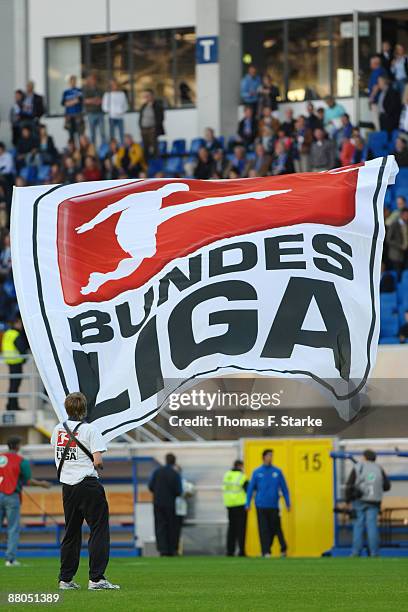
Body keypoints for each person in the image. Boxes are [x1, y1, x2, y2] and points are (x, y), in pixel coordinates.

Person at [50, 391, 119, 590]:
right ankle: (96, 579)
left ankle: (65, 579)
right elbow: (97, 461)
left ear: (67, 408)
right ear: (84, 409)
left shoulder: (57, 430)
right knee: (98, 530)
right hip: (88, 484)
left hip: (67, 487)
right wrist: (98, 465)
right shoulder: (91, 430)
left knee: (71, 533)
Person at [0, 435, 50, 566]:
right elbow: (28, 480)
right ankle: (10, 560)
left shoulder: (0, 457)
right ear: (18, 446)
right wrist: (42, 484)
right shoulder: (21, 461)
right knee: (13, 528)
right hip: (11, 495)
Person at [246, 449, 290, 558]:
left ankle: (281, 548)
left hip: (274, 505)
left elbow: (284, 489)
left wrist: (288, 502)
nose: (271, 457)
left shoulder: (277, 472)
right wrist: (247, 503)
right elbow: (250, 489)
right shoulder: (257, 472)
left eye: (272, 455)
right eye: (269, 455)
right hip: (261, 505)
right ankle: (265, 551)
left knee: (275, 528)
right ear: (264, 457)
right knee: (263, 529)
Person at [346, 449, 391, 557]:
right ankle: (374, 553)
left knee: (358, 526)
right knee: (372, 526)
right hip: (374, 501)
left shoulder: (359, 466)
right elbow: (387, 486)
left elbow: (349, 484)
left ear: (365, 457)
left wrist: (347, 500)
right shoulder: (379, 468)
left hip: (359, 500)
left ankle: (356, 552)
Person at [148, 453, 182, 556]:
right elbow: (179, 491)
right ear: (174, 461)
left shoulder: (157, 472)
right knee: (172, 526)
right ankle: (172, 549)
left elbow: (150, 486)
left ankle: (162, 550)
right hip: (170, 504)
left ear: (165, 460)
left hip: (158, 503)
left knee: (160, 526)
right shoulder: (175, 474)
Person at [2, 317, 29, 411]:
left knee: (12, 385)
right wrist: (24, 359)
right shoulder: (16, 334)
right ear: (16, 324)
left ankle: (10, 405)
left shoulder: (7, 333)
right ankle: (13, 406)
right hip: (16, 362)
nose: (21, 325)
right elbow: (22, 348)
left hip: (9, 362)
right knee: (15, 385)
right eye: (20, 323)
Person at [223, 459, 248, 557]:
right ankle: (241, 551)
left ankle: (230, 551)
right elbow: (248, 489)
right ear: (240, 466)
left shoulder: (227, 475)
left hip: (229, 505)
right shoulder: (241, 476)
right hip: (240, 504)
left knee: (231, 529)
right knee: (241, 529)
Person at [138, 89, 165, 160]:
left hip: (153, 129)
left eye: (148, 96)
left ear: (152, 96)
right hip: (144, 129)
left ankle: (156, 162)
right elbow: (141, 117)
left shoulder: (157, 106)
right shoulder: (143, 106)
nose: (146, 97)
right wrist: (140, 127)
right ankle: (146, 163)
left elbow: (161, 118)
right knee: (145, 147)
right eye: (145, 96)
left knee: (154, 147)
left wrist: (155, 127)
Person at [174, 465, 194, 554]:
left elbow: (190, 493)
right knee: (171, 530)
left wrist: (185, 494)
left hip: (180, 509)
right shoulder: (170, 481)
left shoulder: (184, 482)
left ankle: (176, 549)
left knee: (177, 530)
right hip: (171, 509)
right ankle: (171, 549)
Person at [102, 79, 128, 145]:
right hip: (111, 117)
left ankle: (122, 147)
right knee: (112, 134)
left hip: (120, 117)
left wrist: (122, 111)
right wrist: (111, 111)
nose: (114, 86)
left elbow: (125, 105)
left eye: (115, 85)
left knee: (121, 134)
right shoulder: (107, 94)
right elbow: (104, 106)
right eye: (112, 85)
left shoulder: (122, 94)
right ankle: (112, 148)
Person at [82, 74, 105, 146]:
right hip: (91, 113)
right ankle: (93, 149)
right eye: (91, 79)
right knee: (92, 133)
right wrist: (93, 100)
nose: (93, 81)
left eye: (94, 79)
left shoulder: (100, 89)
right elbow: (84, 100)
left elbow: (104, 99)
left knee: (102, 133)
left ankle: (104, 149)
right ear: (89, 81)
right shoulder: (86, 90)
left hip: (100, 113)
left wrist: (99, 101)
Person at [61, 76, 84, 144]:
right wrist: (74, 101)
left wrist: (69, 102)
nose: (72, 82)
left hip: (78, 116)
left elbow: (80, 100)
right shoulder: (66, 92)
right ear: (69, 82)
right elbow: (64, 103)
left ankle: (80, 152)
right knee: (71, 136)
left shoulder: (79, 91)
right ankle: (73, 152)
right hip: (69, 116)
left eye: (74, 81)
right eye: (71, 81)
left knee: (80, 135)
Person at [386, 207, 408, 275]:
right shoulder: (394, 224)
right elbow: (388, 239)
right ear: (401, 215)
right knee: (396, 274)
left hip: (405, 255)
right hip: (395, 255)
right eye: (406, 215)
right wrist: (400, 246)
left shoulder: (406, 224)